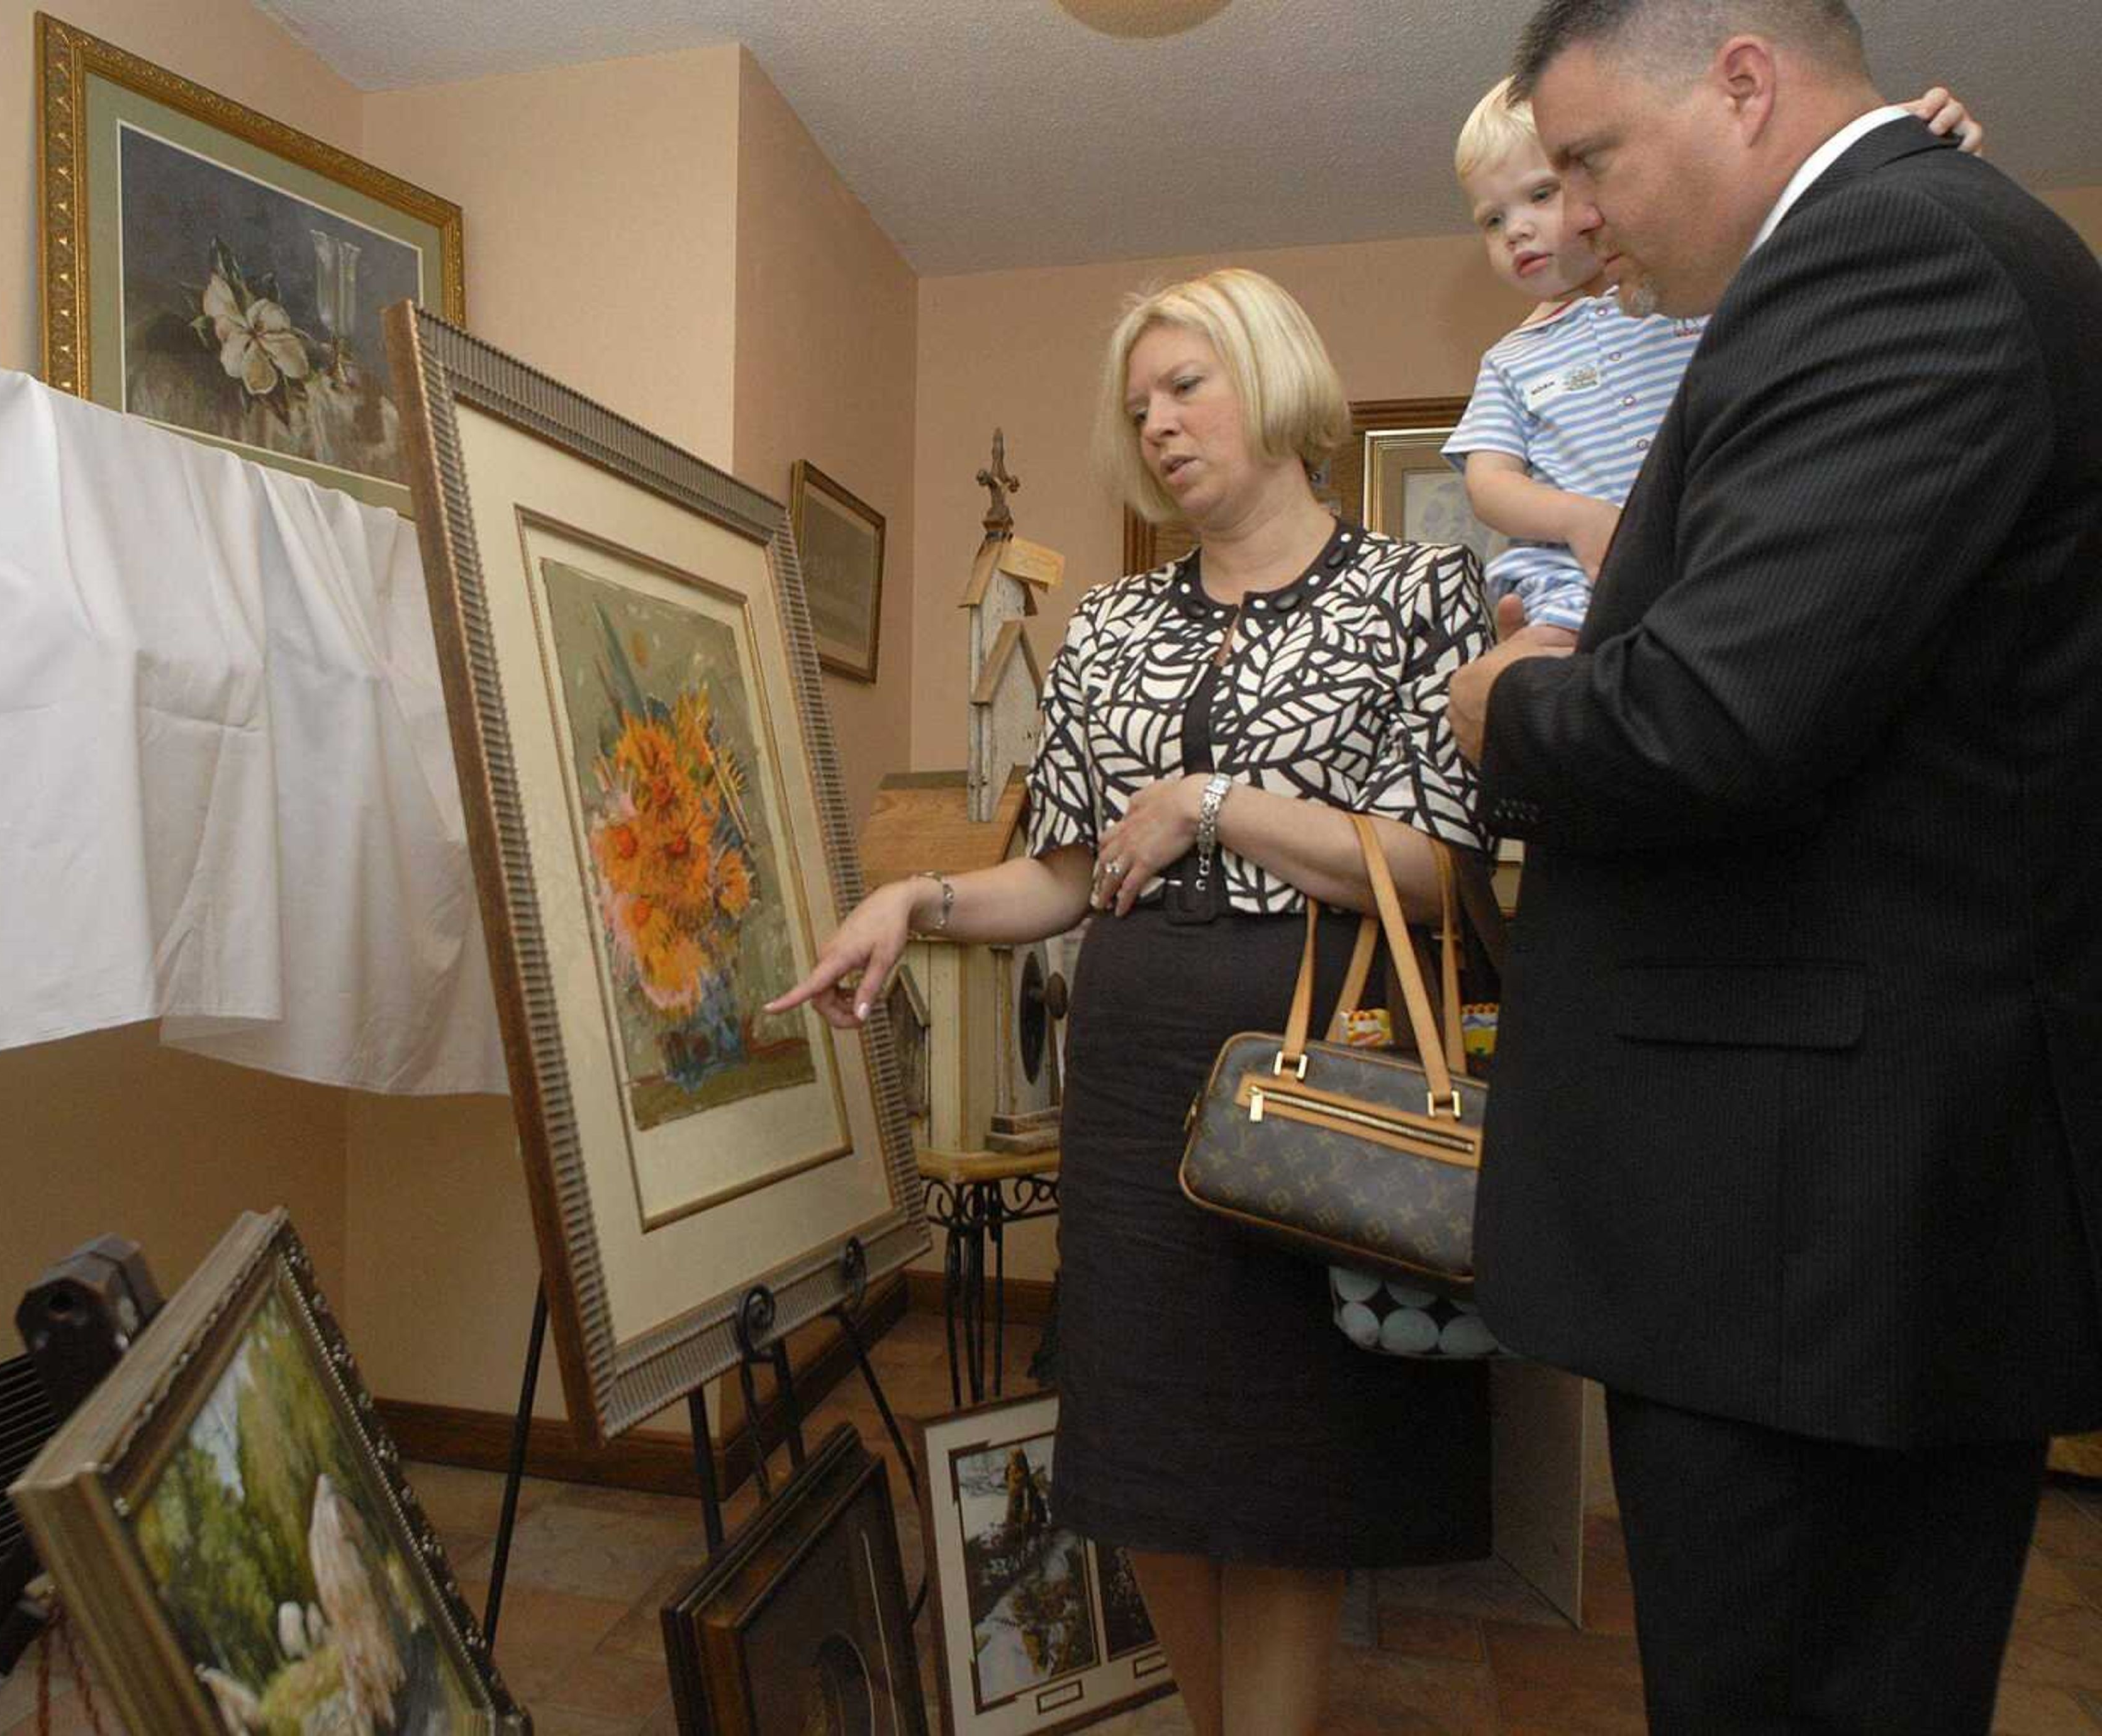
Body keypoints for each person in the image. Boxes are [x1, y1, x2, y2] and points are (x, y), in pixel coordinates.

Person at [1446, 3, 2102, 1730]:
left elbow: (1706, 720)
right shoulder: (1898, 252)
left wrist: (1507, 703)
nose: (1573, 218)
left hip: (1822, 1226)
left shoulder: (1898, 260)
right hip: (1811, 1224)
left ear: (1742, 81)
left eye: (1589, 160)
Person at [769, 267, 1495, 1735]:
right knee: (1147, 1450)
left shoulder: (1418, 594)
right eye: (1137, 402)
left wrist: (1217, 804)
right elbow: (1060, 876)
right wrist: (919, 904)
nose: (1157, 422)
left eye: (1188, 385)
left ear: (1273, 384)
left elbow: (1427, 871)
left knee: (1288, 1469)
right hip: (1132, 1082)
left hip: (1310, 1071)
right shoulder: (1103, 629)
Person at [1444, 76, 1982, 632]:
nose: (1516, 232)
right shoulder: (1512, 358)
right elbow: (1489, 483)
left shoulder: (1693, 289)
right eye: (1493, 219)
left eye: (1539, 195)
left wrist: (1905, 137)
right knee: (1549, 659)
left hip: (1730, 546)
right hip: (1581, 577)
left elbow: (1799, 203)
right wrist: (1580, 521)